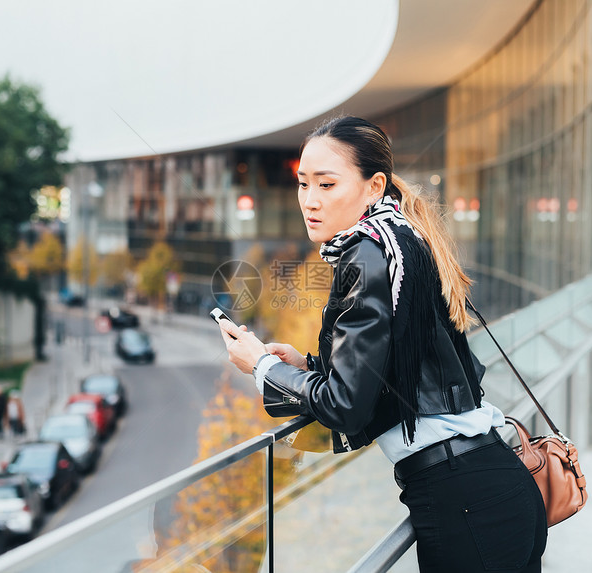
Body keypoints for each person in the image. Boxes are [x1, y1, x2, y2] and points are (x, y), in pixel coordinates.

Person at [219, 117, 547, 572]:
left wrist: (261, 367)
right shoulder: (403, 240)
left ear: (375, 186)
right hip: (495, 488)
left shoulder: (367, 253)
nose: (310, 202)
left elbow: (346, 407)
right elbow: (392, 376)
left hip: (463, 505)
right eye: (303, 184)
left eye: (327, 184)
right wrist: (307, 364)